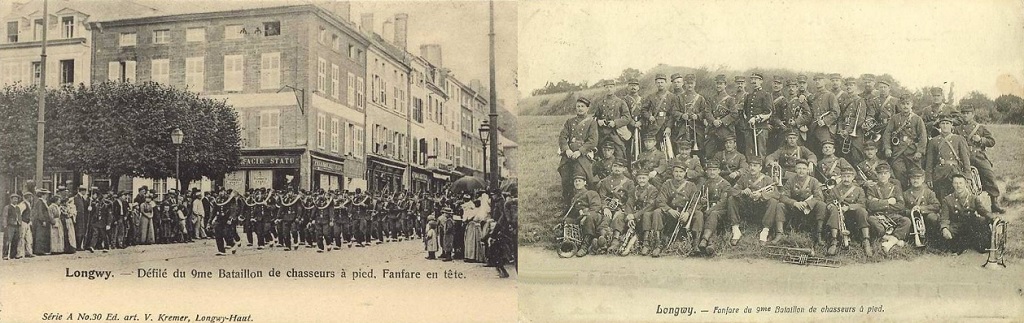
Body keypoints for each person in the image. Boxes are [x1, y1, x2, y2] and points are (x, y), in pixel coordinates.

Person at [956, 104, 1004, 213]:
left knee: (989, 174)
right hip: (962, 157)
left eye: (968, 113)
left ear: (972, 114)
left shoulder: (980, 127)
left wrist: (981, 140)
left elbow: (992, 141)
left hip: (978, 156)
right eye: (963, 113)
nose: (965, 115)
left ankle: (994, 202)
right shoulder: (957, 129)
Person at [728, 157, 783, 245]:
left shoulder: (767, 179)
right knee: (732, 199)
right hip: (747, 208)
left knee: (773, 201)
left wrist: (761, 195)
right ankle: (736, 229)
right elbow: (732, 191)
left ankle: (765, 231)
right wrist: (742, 192)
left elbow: (777, 194)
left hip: (760, 210)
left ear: (760, 168)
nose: (752, 168)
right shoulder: (744, 178)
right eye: (750, 165)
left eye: (755, 166)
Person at [938, 174, 996, 254]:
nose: (958, 186)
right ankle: (963, 244)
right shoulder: (947, 200)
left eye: (961, 183)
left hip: (971, 224)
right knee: (951, 246)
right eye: (956, 183)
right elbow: (944, 218)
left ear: (965, 184)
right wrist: (944, 228)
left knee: (982, 223)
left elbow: (984, 211)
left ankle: (974, 242)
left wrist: (993, 218)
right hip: (957, 225)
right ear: (952, 184)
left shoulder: (973, 198)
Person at [558, 97, 599, 204]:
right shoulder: (569, 122)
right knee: (566, 179)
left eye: (582, 106)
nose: (580, 109)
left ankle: (583, 204)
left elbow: (593, 141)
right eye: (578, 106)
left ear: (587, 108)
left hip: (583, 155)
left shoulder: (591, 122)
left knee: (580, 179)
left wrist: (580, 151)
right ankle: (567, 205)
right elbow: (562, 137)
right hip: (569, 155)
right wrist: (567, 150)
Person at [659, 161, 705, 254]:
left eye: (681, 172)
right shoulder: (667, 184)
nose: (678, 174)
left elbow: (695, 202)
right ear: (672, 172)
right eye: (676, 171)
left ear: (685, 173)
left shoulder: (691, 185)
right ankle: (658, 243)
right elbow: (660, 200)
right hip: (672, 213)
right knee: (657, 212)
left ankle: (696, 244)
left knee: (699, 214)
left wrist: (688, 213)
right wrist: (669, 210)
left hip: (685, 214)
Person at [778, 160, 827, 244]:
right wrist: (794, 203)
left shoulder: (813, 181)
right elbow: (783, 196)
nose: (801, 171)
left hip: (809, 209)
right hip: (795, 208)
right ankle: (779, 233)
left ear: (808, 170)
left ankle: (819, 234)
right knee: (780, 205)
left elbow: (819, 196)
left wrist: (807, 203)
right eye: (799, 168)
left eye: (804, 169)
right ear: (795, 170)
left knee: (822, 205)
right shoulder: (790, 180)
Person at [882, 94, 928, 187]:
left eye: (907, 103)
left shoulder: (917, 119)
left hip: (912, 152)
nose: (905, 106)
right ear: (899, 104)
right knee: (899, 173)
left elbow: (923, 136)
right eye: (903, 104)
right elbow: (887, 133)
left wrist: (919, 151)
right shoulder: (895, 118)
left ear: (911, 104)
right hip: (898, 152)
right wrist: (887, 148)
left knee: (915, 175)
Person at [824, 168, 871, 256]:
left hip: (853, 215)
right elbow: (828, 202)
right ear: (841, 177)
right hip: (838, 214)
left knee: (862, 211)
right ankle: (834, 241)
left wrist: (849, 207)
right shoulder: (835, 189)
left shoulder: (859, 190)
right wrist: (831, 206)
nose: (846, 179)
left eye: (848, 176)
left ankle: (866, 240)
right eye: (844, 176)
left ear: (853, 177)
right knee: (834, 210)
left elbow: (862, 204)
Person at [864, 164, 911, 253]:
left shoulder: (895, 188)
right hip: (878, 216)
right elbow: (871, 206)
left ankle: (889, 242)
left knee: (906, 221)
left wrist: (879, 202)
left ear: (889, 175)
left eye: (885, 173)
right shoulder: (872, 188)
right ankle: (894, 240)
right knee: (871, 220)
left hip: (892, 215)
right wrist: (888, 202)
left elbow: (901, 205)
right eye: (880, 173)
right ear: (877, 175)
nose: (883, 175)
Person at [925, 116, 971, 199]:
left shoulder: (959, 139)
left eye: (947, 123)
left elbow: (965, 159)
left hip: (955, 171)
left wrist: (968, 176)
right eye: (943, 123)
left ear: (951, 125)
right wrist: (928, 178)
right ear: (939, 125)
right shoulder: (934, 141)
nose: (945, 126)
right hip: (939, 173)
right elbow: (929, 161)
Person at [691, 162, 731, 256]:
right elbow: (699, 197)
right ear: (707, 171)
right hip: (708, 209)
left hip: (721, 211)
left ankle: (706, 240)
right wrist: (702, 200)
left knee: (713, 214)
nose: (712, 172)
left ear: (719, 171)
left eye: (714, 170)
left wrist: (710, 209)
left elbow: (723, 202)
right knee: (699, 214)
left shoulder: (725, 184)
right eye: (710, 170)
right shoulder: (705, 183)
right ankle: (696, 243)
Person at [624, 171, 667, 257]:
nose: (641, 180)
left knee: (647, 214)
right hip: (637, 214)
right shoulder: (634, 190)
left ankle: (652, 243)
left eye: (644, 178)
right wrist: (630, 216)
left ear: (648, 179)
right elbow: (629, 203)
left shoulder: (653, 190)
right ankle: (644, 243)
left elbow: (650, 206)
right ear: (636, 179)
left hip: (650, 213)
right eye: (639, 178)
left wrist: (635, 216)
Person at [596, 158, 634, 254]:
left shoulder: (629, 182)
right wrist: (605, 208)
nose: (617, 168)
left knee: (619, 218)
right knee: (605, 218)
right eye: (615, 166)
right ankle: (603, 240)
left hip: (622, 207)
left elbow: (631, 199)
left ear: (624, 169)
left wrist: (625, 211)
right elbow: (602, 196)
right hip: (609, 206)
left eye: (620, 167)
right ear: (611, 168)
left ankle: (615, 240)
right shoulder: (606, 181)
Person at [639, 74, 682, 149]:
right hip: (654, 125)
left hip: (667, 124)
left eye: (662, 82)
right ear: (655, 83)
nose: (660, 84)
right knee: (654, 146)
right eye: (658, 82)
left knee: (670, 147)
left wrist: (669, 127)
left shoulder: (672, 96)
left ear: (665, 83)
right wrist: (649, 116)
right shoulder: (651, 96)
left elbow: (673, 113)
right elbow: (643, 110)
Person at [592, 80, 632, 159]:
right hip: (602, 133)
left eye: (611, 87)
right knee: (599, 153)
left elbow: (627, 117)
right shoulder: (600, 103)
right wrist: (598, 121)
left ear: (615, 88)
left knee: (620, 151)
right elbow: (594, 117)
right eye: (606, 87)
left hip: (616, 133)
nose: (609, 89)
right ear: (604, 89)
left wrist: (615, 123)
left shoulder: (620, 102)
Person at [704, 74, 738, 160]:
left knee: (725, 154)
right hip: (712, 130)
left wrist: (721, 121)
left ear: (725, 85)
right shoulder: (711, 99)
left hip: (725, 131)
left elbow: (734, 114)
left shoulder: (730, 99)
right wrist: (713, 121)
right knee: (710, 153)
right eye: (717, 83)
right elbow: (707, 112)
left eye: (721, 83)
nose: (718, 85)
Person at [673, 74, 708, 157]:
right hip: (683, 128)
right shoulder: (679, 97)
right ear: (684, 84)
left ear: (695, 84)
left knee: (700, 146)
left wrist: (698, 116)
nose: (690, 85)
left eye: (691, 83)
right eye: (688, 83)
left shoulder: (700, 98)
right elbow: (674, 111)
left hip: (697, 128)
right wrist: (682, 115)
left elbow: (705, 111)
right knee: (683, 147)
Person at [739, 73, 773, 157]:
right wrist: (747, 121)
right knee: (749, 151)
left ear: (761, 81)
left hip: (761, 127)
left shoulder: (766, 94)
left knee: (760, 151)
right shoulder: (748, 95)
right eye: (752, 79)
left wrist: (756, 118)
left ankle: (761, 168)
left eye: (756, 79)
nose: (754, 81)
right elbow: (745, 111)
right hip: (749, 128)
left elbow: (768, 112)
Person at [902, 168, 941, 242]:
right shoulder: (906, 194)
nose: (915, 181)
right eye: (913, 178)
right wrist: (911, 211)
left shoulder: (928, 192)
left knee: (932, 217)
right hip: (912, 220)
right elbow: (902, 209)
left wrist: (922, 209)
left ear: (923, 179)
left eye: (918, 178)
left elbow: (937, 205)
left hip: (926, 218)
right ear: (910, 180)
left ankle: (933, 242)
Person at [808, 74, 841, 155]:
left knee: (826, 152)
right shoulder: (813, 96)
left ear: (825, 81)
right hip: (814, 128)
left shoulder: (830, 95)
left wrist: (825, 121)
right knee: (814, 151)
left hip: (825, 129)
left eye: (820, 80)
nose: (817, 82)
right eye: (816, 80)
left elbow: (836, 112)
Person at [3, 194, 22, 260]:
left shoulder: (18, 208)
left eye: (17, 199)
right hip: (10, 225)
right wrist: (5, 225)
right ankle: (5, 255)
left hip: (17, 225)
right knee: (7, 240)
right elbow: (5, 216)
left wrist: (20, 224)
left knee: (15, 240)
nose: (15, 200)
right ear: (11, 199)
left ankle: (13, 255)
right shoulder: (7, 207)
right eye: (14, 198)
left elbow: (19, 216)